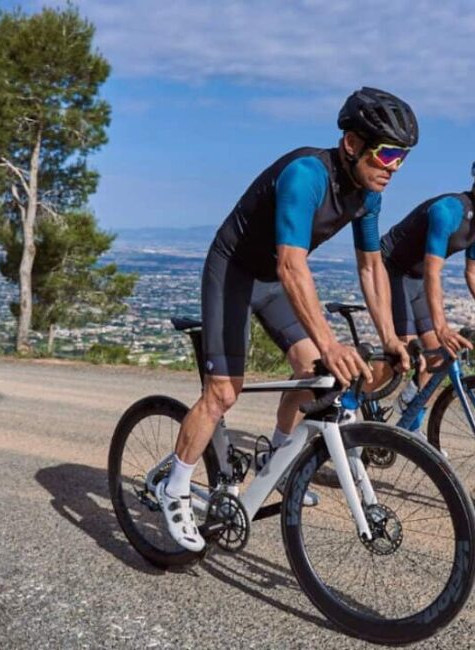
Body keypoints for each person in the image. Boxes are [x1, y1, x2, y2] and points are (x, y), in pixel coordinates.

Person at [157, 88, 418, 552]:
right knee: (223, 393)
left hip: (274, 279)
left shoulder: (367, 193)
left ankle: (277, 462)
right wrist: (331, 343)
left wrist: (390, 337)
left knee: (313, 373)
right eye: (388, 153)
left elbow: (371, 266)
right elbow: (292, 266)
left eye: (403, 157)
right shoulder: (306, 175)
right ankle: (174, 488)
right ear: (353, 144)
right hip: (235, 270)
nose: (393, 167)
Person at [380, 148, 475, 431]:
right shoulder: (448, 210)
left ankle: (408, 426)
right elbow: (434, 271)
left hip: (417, 278)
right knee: (405, 355)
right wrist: (442, 327)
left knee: (438, 358)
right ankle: (348, 403)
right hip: (390, 269)